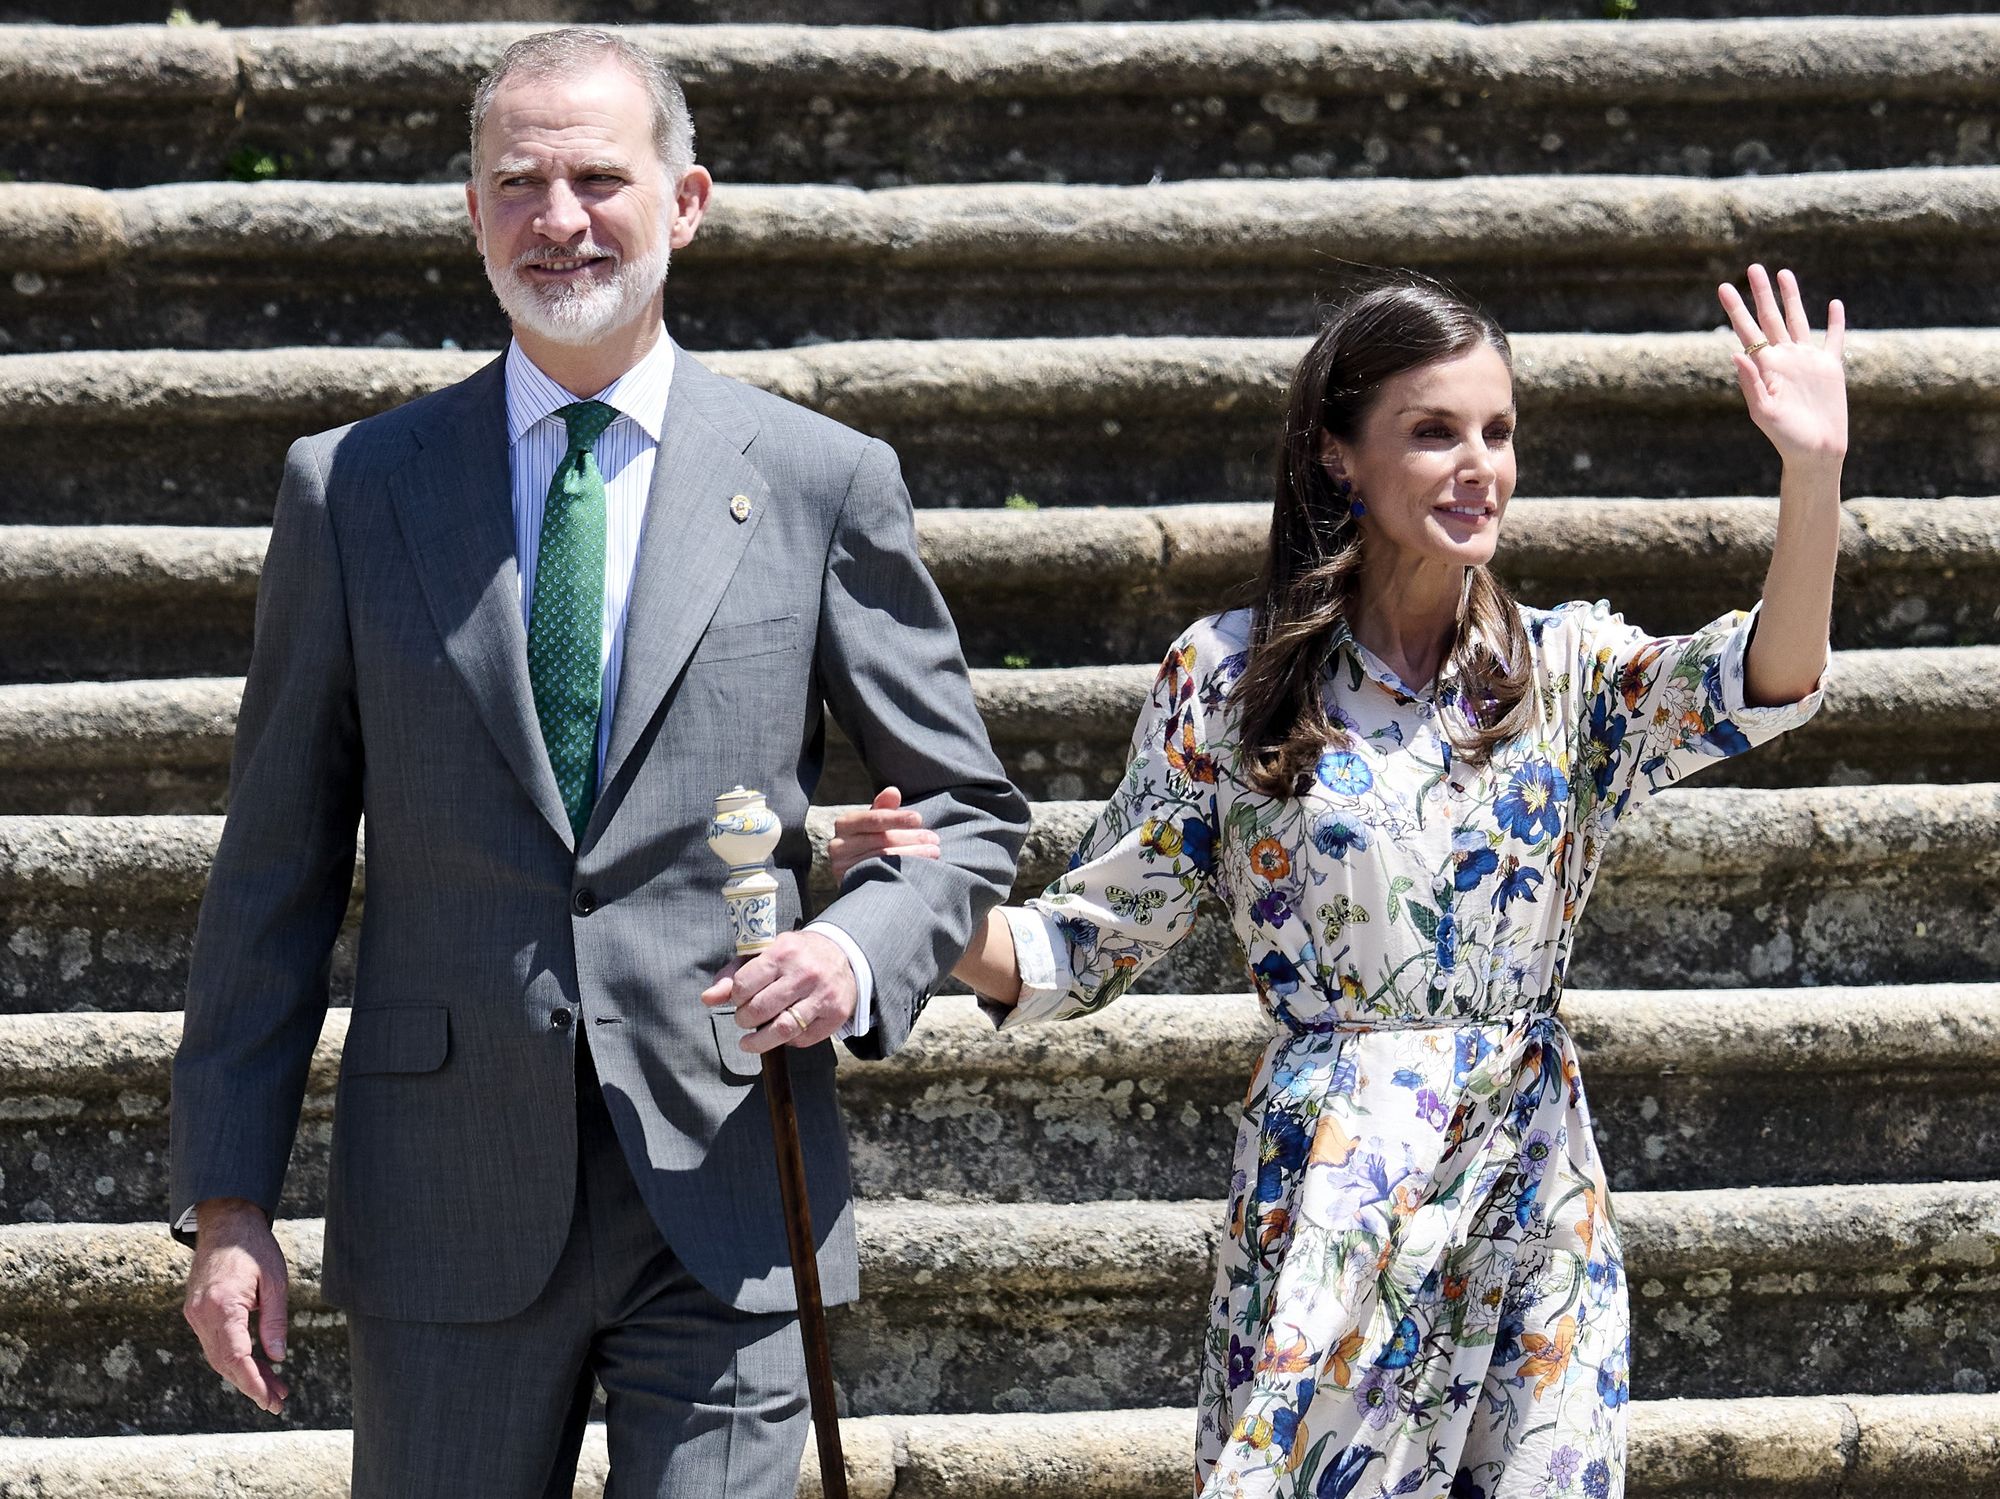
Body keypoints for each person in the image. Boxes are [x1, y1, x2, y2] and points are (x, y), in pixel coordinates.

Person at [169, 27, 1027, 1498]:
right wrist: (229, 1197)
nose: (558, 219)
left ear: (685, 201)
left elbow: (964, 808)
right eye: (518, 183)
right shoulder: (356, 486)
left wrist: (855, 949)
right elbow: (276, 863)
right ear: (470, 214)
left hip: (731, 1166)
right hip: (446, 1187)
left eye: (596, 178)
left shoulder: (821, 479)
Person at [830, 267, 1843, 1498]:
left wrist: (1811, 470)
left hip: (1526, 1177)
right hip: (1331, 1188)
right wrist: (918, 901)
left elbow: (1764, 679)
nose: (1477, 464)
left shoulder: (1564, 670)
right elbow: (1082, 942)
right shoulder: (1228, 677)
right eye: (1431, 431)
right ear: (1338, 457)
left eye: (1496, 431)